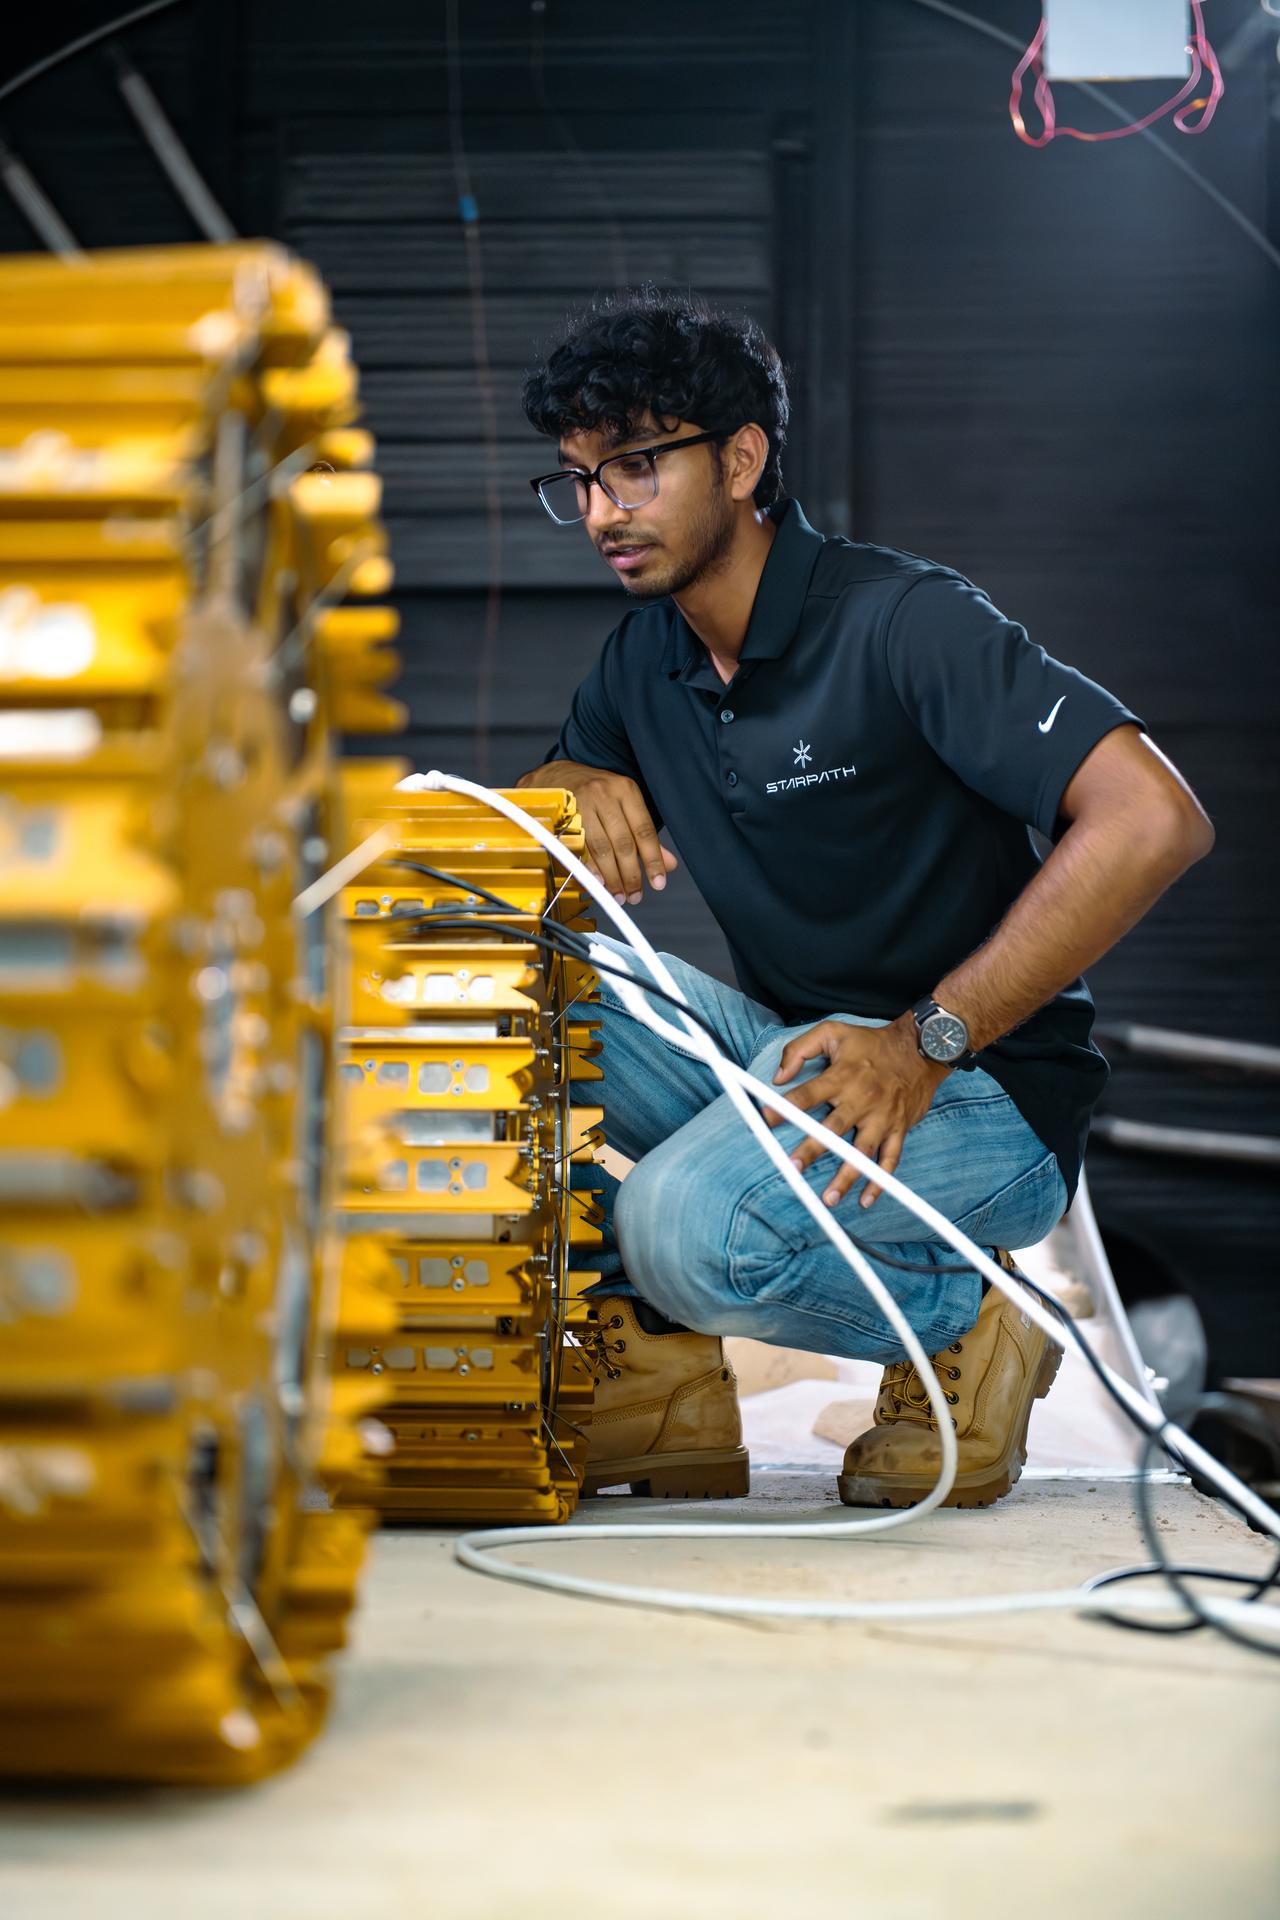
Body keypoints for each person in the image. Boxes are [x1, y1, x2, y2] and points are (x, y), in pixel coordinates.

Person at [515, 289, 1214, 1509]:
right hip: (800, 1054)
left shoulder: (901, 621)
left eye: (632, 466)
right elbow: (533, 832)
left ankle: (968, 1321)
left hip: (977, 1084)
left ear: (741, 459)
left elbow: (1154, 819)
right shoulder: (644, 659)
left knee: (686, 1228)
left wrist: (926, 1038)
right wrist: (559, 787)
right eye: (575, 480)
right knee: (516, 974)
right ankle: (662, 1380)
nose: (599, 513)